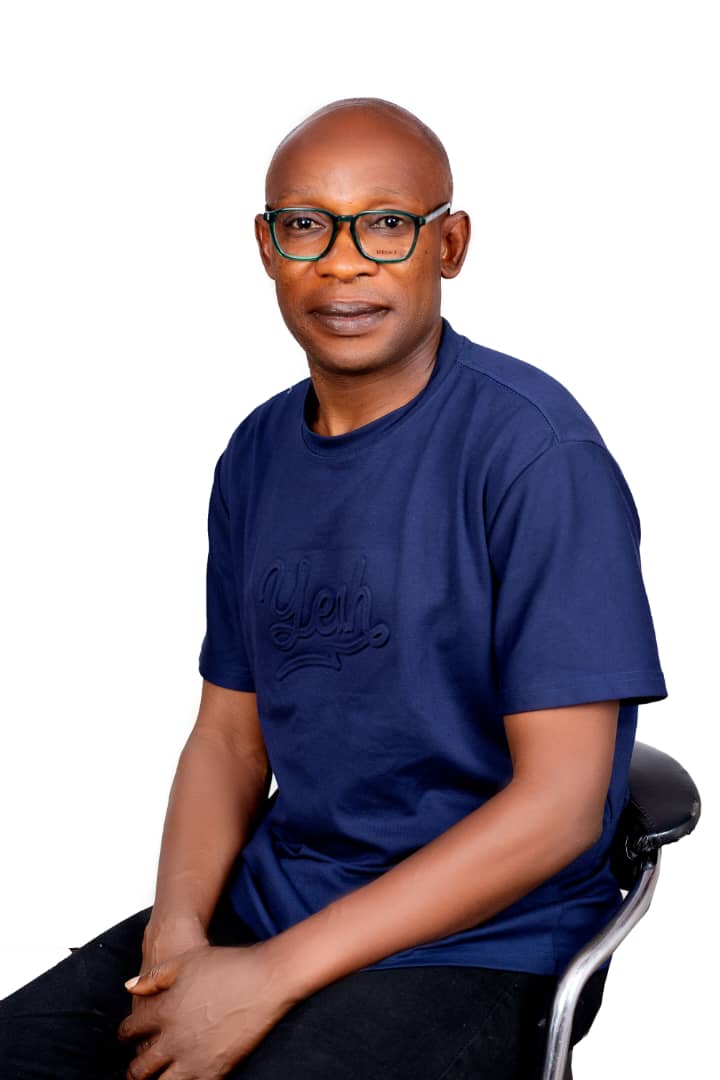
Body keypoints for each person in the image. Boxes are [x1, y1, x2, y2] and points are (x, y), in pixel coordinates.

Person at [0, 97, 667, 1080]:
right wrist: (177, 935)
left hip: (483, 942)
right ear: (267, 248)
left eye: (386, 224)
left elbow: (560, 809)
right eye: (306, 225)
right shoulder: (257, 454)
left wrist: (270, 978)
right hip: (278, 900)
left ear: (449, 245)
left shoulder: (535, 454)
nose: (343, 262)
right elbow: (230, 739)